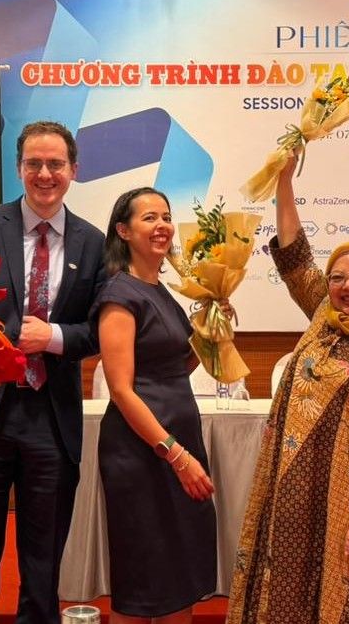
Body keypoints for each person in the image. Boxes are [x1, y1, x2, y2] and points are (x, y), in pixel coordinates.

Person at [228, 152, 349, 623]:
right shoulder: (323, 318)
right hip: (291, 490)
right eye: (337, 278)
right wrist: (284, 182)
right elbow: (296, 256)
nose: (347, 286)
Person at [0, 120, 105, 624]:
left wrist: (51, 338)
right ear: (18, 168)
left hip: (49, 419)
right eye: (34, 163)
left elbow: (98, 329)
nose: (44, 173)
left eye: (55, 164)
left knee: (42, 560)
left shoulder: (93, 243)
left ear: (74, 170)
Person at [91, 187, 217, 622]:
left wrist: (212, 324)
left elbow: (177, 366)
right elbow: (122, 390)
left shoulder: (162, 290)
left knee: (180, 574)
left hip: (177, 440)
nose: (162, 225)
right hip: (143, 452)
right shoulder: (118, 295)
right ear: (123, 231)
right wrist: (176, 455)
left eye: (165, 216)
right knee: (144, 580)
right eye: (149, 218)